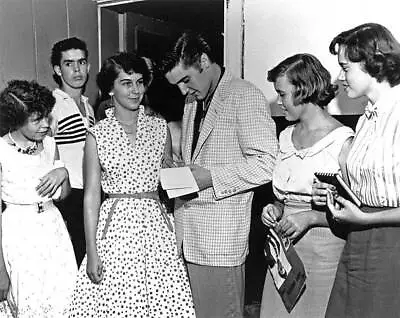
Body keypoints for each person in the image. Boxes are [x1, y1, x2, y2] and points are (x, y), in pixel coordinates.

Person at [68, 52, 196, 317]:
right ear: (110, 89)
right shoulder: (97, 134)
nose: (135, 90)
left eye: (139, 82)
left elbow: (169, 178)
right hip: (115, 231)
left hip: (156, 228)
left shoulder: (159, 127)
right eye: (126, 83)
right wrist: (91, 251)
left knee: (163, 303)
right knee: (118, 304)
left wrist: (181, 172)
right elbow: (91, 195)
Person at [162, 31, 278, 318]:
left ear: (203, 60)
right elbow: (200, 159)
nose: (183, 90)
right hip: (187, 237)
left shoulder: (244, 95)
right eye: (176, 84)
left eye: (186, 79)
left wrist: (210, 177)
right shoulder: (193, 100)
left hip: (220, 240)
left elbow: (267, 163)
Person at [311, 23, 400, 317]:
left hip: (392, 248)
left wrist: (364, 216)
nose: (339, 77)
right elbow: (369, 187)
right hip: (358, 241)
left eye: (345, 67)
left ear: (373, 63)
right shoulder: (365, 120)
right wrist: (335, 194)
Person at [259, 54, 353, 317]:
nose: (279, 102)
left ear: (304, 91)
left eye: (283, 94)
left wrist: (311, 217)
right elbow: (283, 197)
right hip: (283, 250)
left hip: (323, 251)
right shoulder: (286, 136)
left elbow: (356, 213)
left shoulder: (342, 142)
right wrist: (275, 209)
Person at [0, 80, 77, 317]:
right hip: (19, 233)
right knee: (28, 301)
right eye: (37, 119)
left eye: (47, 117)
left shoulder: (51, 144)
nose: (46, 124)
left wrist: (63, 173)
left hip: (53, 231)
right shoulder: (1, 151)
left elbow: (64, 196)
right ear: (16, 119)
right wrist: (1, 271)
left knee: (63, 301)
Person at [50, 37, 95, 266]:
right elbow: (46, 152)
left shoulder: (89, 105)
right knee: (75, 260)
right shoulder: (53, 105)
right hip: (70, 196)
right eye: (69, 64)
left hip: (93, 191)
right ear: (58, 70)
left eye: (81, 62)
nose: (77, 69)